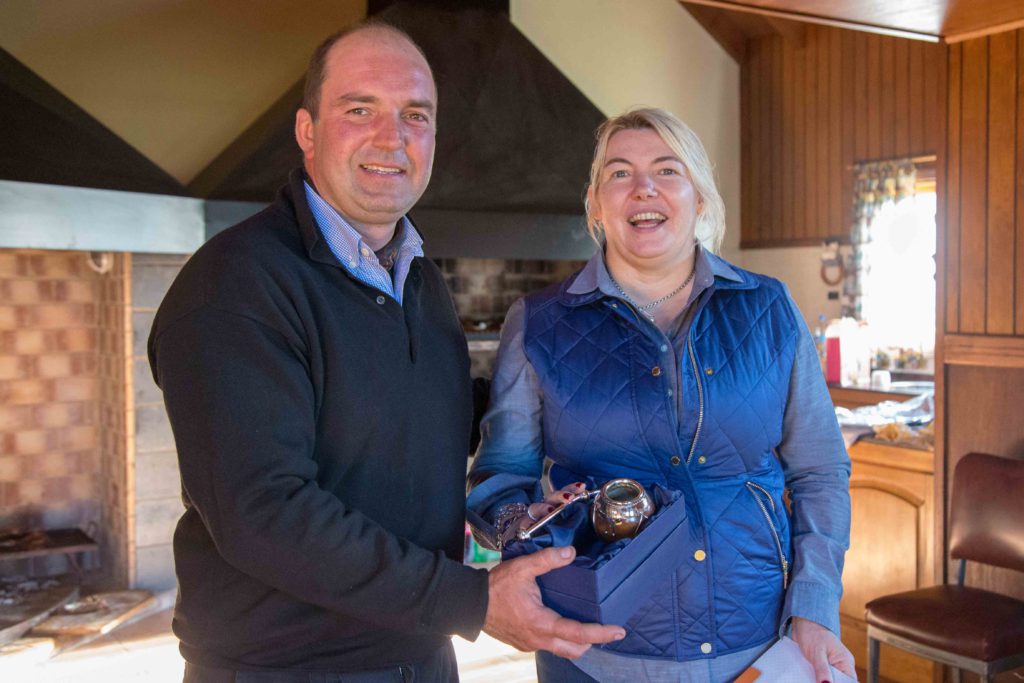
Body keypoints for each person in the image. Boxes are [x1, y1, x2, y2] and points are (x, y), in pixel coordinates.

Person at [149, 21, 624, 683]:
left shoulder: (418, 281)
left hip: (420, 656)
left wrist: (545, 473)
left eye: (415, 115)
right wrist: (471, 597)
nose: (391, 137)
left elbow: (420, 439)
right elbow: (265, 510)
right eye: (359, 109)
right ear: (307, 131)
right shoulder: (236, 284)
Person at [467, 107, 856, 683]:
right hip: (594, 651)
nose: (643, 188)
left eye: (667, 170)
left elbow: (820, 470)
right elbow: (500, 474)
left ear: (699, 196)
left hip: (757, 647)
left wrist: (816, 605)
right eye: (619, 173)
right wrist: (523, 526)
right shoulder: (539, 323)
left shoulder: (770, 309)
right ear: (597, 204)